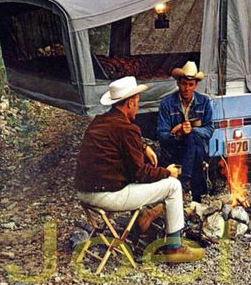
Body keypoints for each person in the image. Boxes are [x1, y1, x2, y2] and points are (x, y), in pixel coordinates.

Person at [75, 76, 204, 264]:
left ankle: (145, 217)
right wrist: (168, 172)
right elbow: (140, 173)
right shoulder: (127, 129)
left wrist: (143, 147)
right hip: (106, 195)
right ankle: (175, 248)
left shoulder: (100, 121)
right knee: (173, 186)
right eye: (137, 102)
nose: (138, 106)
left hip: (85, 193)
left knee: (146, 180)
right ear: (129, 103)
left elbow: (122, 143)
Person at [156, 61, 215, 201]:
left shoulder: (204, 102)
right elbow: (161, 134)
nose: (186, 89)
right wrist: (176, 133)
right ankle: (196, 194)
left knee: (193, 140)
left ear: (195, 85)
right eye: (183, 84)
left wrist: (191, 130)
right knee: (195, 147)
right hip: (175, 148)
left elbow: (209, 130)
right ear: (178, 83)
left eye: (190, 85)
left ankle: (185, 180)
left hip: (196, 147)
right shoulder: (167, 103)